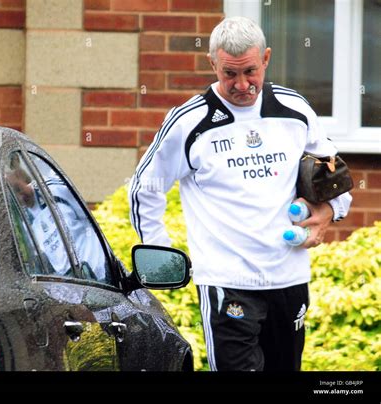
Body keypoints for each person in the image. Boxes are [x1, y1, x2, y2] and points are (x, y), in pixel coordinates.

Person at [128, 16, 352, 371]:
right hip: (226, 283)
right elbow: (146, 188)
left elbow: (335, 176)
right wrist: (161, 256)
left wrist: (329, 211)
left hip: (289, 278)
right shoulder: (189, 122)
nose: (242, 84)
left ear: (265, 58)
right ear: (212, 63)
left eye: (250, 71)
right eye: (229, 74)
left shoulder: (294, 110)